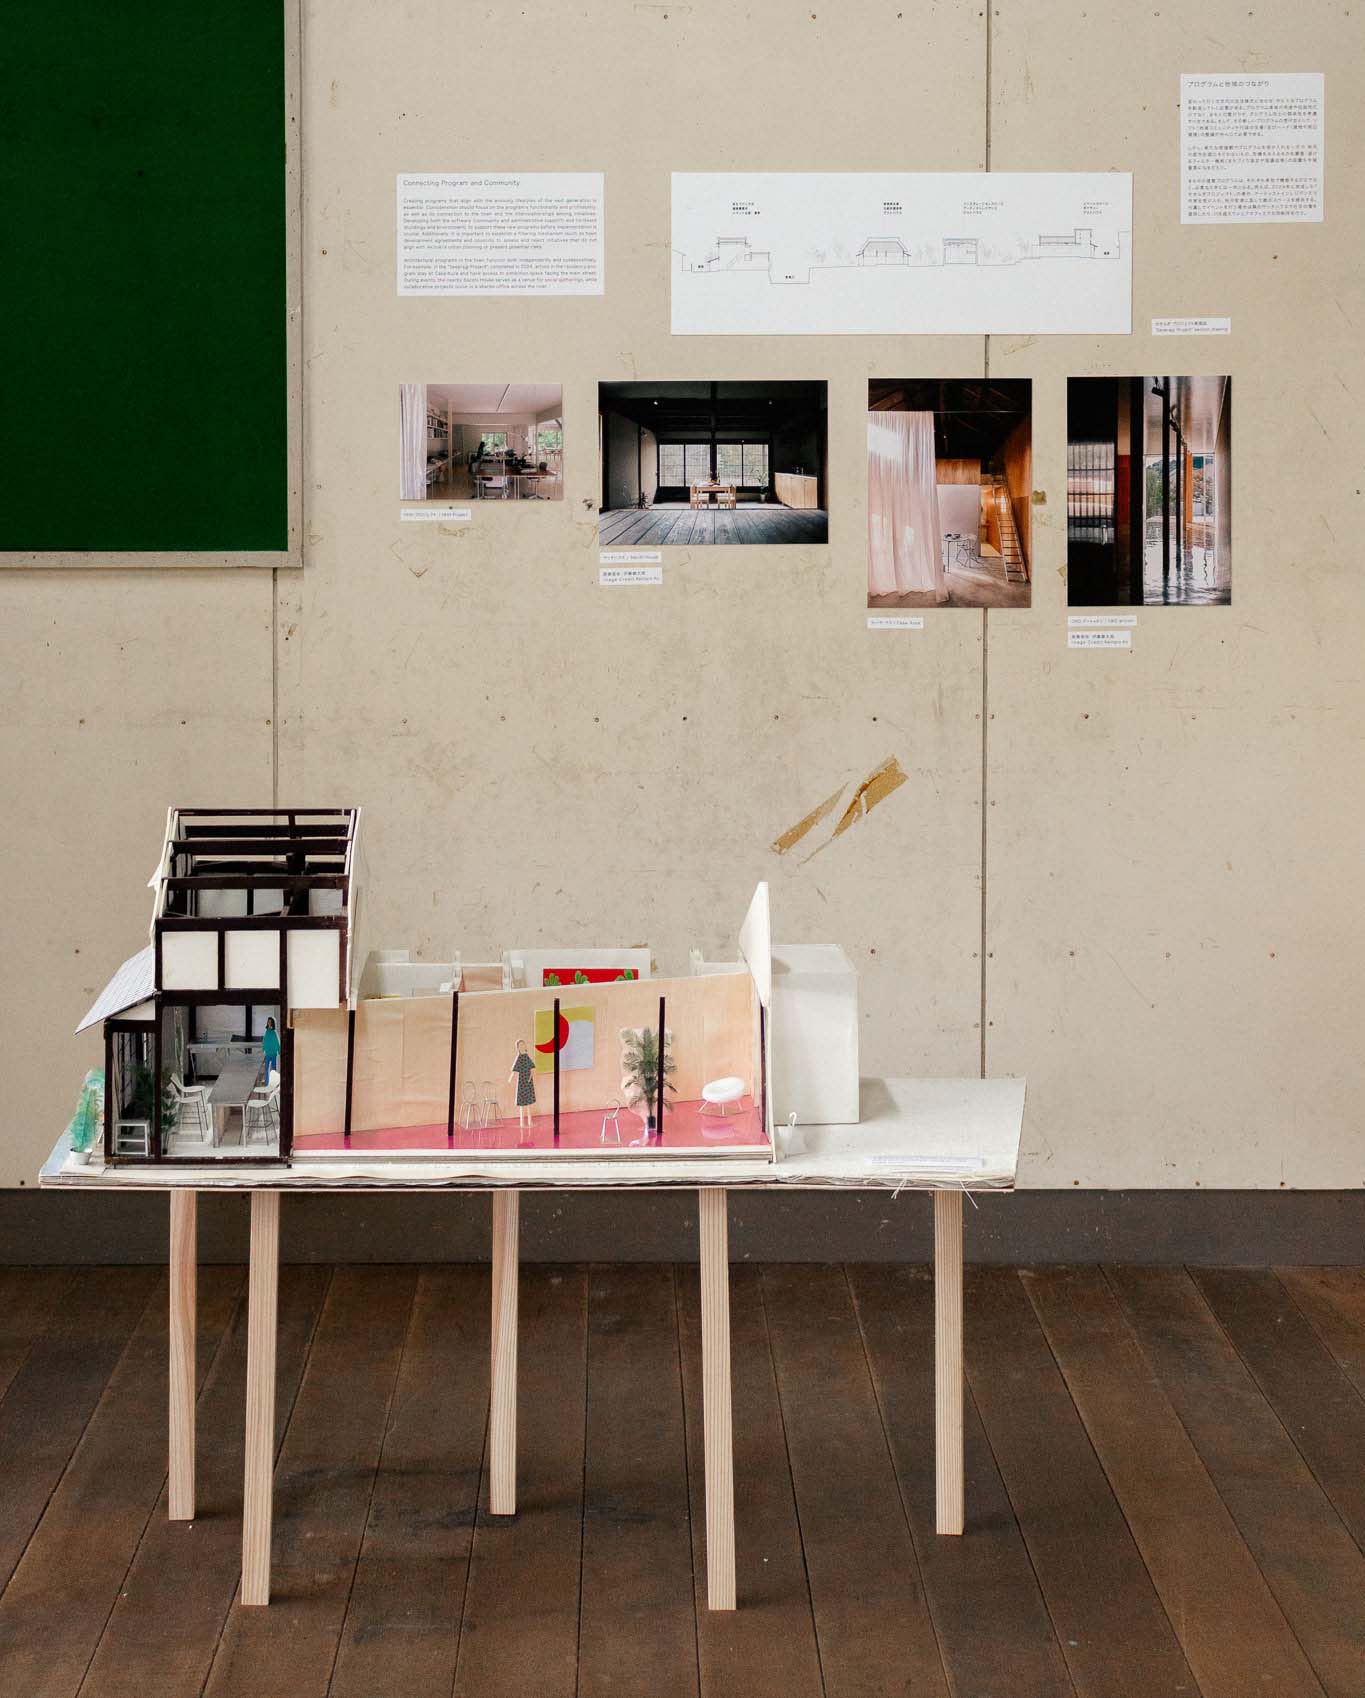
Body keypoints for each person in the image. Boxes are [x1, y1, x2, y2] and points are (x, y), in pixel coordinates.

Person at [509, 1038, 536, 1130]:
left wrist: (531, 1074)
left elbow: (532, 1067)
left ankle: (530, 1121)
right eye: (520, 1045)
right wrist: (510, 1078)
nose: (522, 1046)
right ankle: (522, 1122)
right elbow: (514, 1070)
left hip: (528, 1081)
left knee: (528, 1103)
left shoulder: (527, 1057)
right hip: (521, 1082)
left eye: (523, 1045)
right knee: (522, 1103)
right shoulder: (519, 1058)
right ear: (517, 1048)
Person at [262, 1017, 282, 1081]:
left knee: (273, 1068)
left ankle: (273, 1081)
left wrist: (279, 1050)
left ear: (272, 1023)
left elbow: (277, 1041)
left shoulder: (274, 1032)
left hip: (273, 1052)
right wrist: (263, 1049)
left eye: (270, 1022)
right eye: (268, 1022)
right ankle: (267, 1082)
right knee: (266, 1068)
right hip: (267, 1052)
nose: (269, 1023)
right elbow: (264, 1041)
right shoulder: (266, 1031)